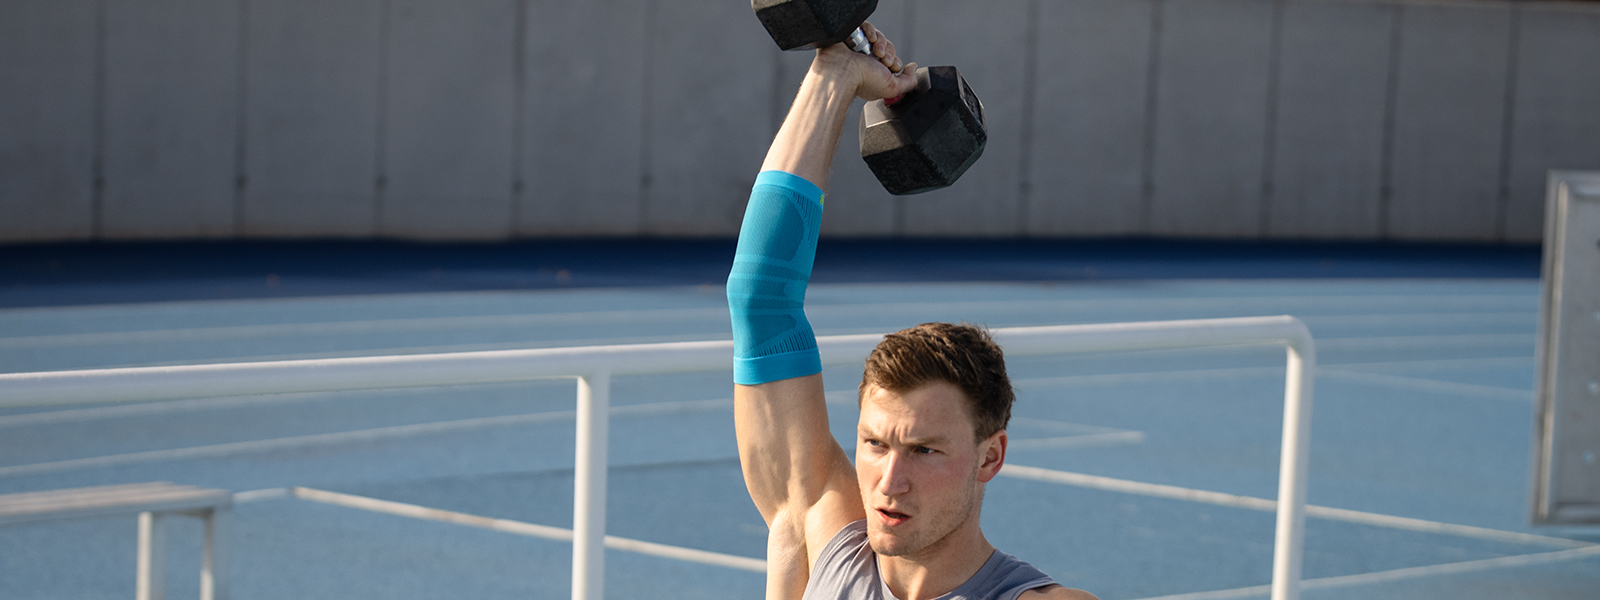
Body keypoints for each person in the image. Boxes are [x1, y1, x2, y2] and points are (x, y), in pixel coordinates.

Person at [726, 22, 1099, 600]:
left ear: (990, 457)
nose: (888, 483)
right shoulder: (825, 546)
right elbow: (761, 298)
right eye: (875, 444)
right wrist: (834, 75)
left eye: (924, 450)